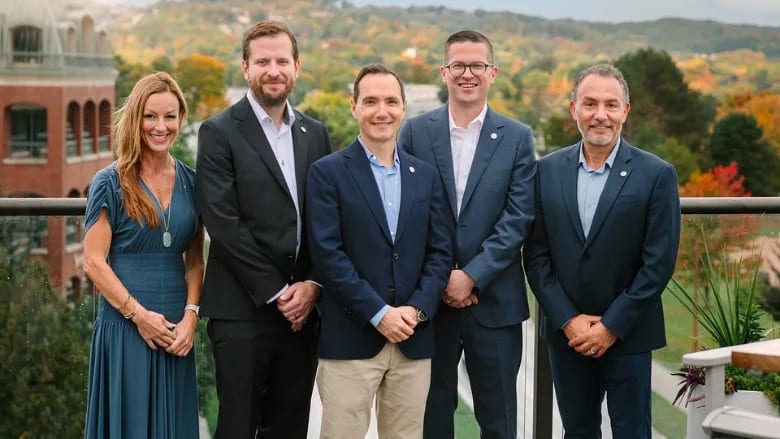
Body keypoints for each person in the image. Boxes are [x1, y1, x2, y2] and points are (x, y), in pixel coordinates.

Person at [523, 63, 681, 438]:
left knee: (632, 432)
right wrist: (569, 320)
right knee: (577, 431)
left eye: (611, 105)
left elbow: (658, 263)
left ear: (625, 111)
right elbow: (536, 256)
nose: (600, 115)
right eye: (590, 103)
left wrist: (610, 325)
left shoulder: (656, 174)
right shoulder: (545, 172)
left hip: (629, 333)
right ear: (573, 108)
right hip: (568, 336)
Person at [195, 20, 331, 439]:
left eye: (282, 61)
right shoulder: (218, 132)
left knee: (290, 429)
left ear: (297, 67)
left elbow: (323, 220)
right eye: (263, 61)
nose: (273, 70)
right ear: (245, 67)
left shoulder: (315, 133)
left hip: (302, 314)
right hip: (241, 310)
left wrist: (311, 284)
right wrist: (277, 292)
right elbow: (223, 221)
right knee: (237, 428)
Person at [397, 30, 536, 438]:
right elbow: (407, 212)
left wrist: (471, 275)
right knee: (431, 419)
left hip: (494, 304)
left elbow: (519, 216)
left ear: (492, 73)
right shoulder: (415, 132)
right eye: (458, 65)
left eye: (477, 65)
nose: (467, 74)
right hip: (429, 304)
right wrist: (441, 279)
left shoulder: (517, 137)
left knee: (499, 422)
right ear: (444, 72)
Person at [306, 64, 453, 438]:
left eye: (390, 101)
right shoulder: (327, 173)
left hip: (412, 339)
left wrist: (416, 310)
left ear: (404, 108)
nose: (381, 111)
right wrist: (378, 312)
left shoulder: (426, 176)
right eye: (370, 101)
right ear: (353, 107)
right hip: (351, 339)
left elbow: (440, 252)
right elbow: (328, 255)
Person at [82, 71, 204, 438]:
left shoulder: (192, 181)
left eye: (170, 116)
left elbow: (196, 260)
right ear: (135, 118)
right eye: (150, 116)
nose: (160, 126)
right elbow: (93, 261)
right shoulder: (110, 181)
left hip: (175, 333)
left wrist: (191, 319)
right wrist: (138, 315)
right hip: (125, 327)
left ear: (181, 119)